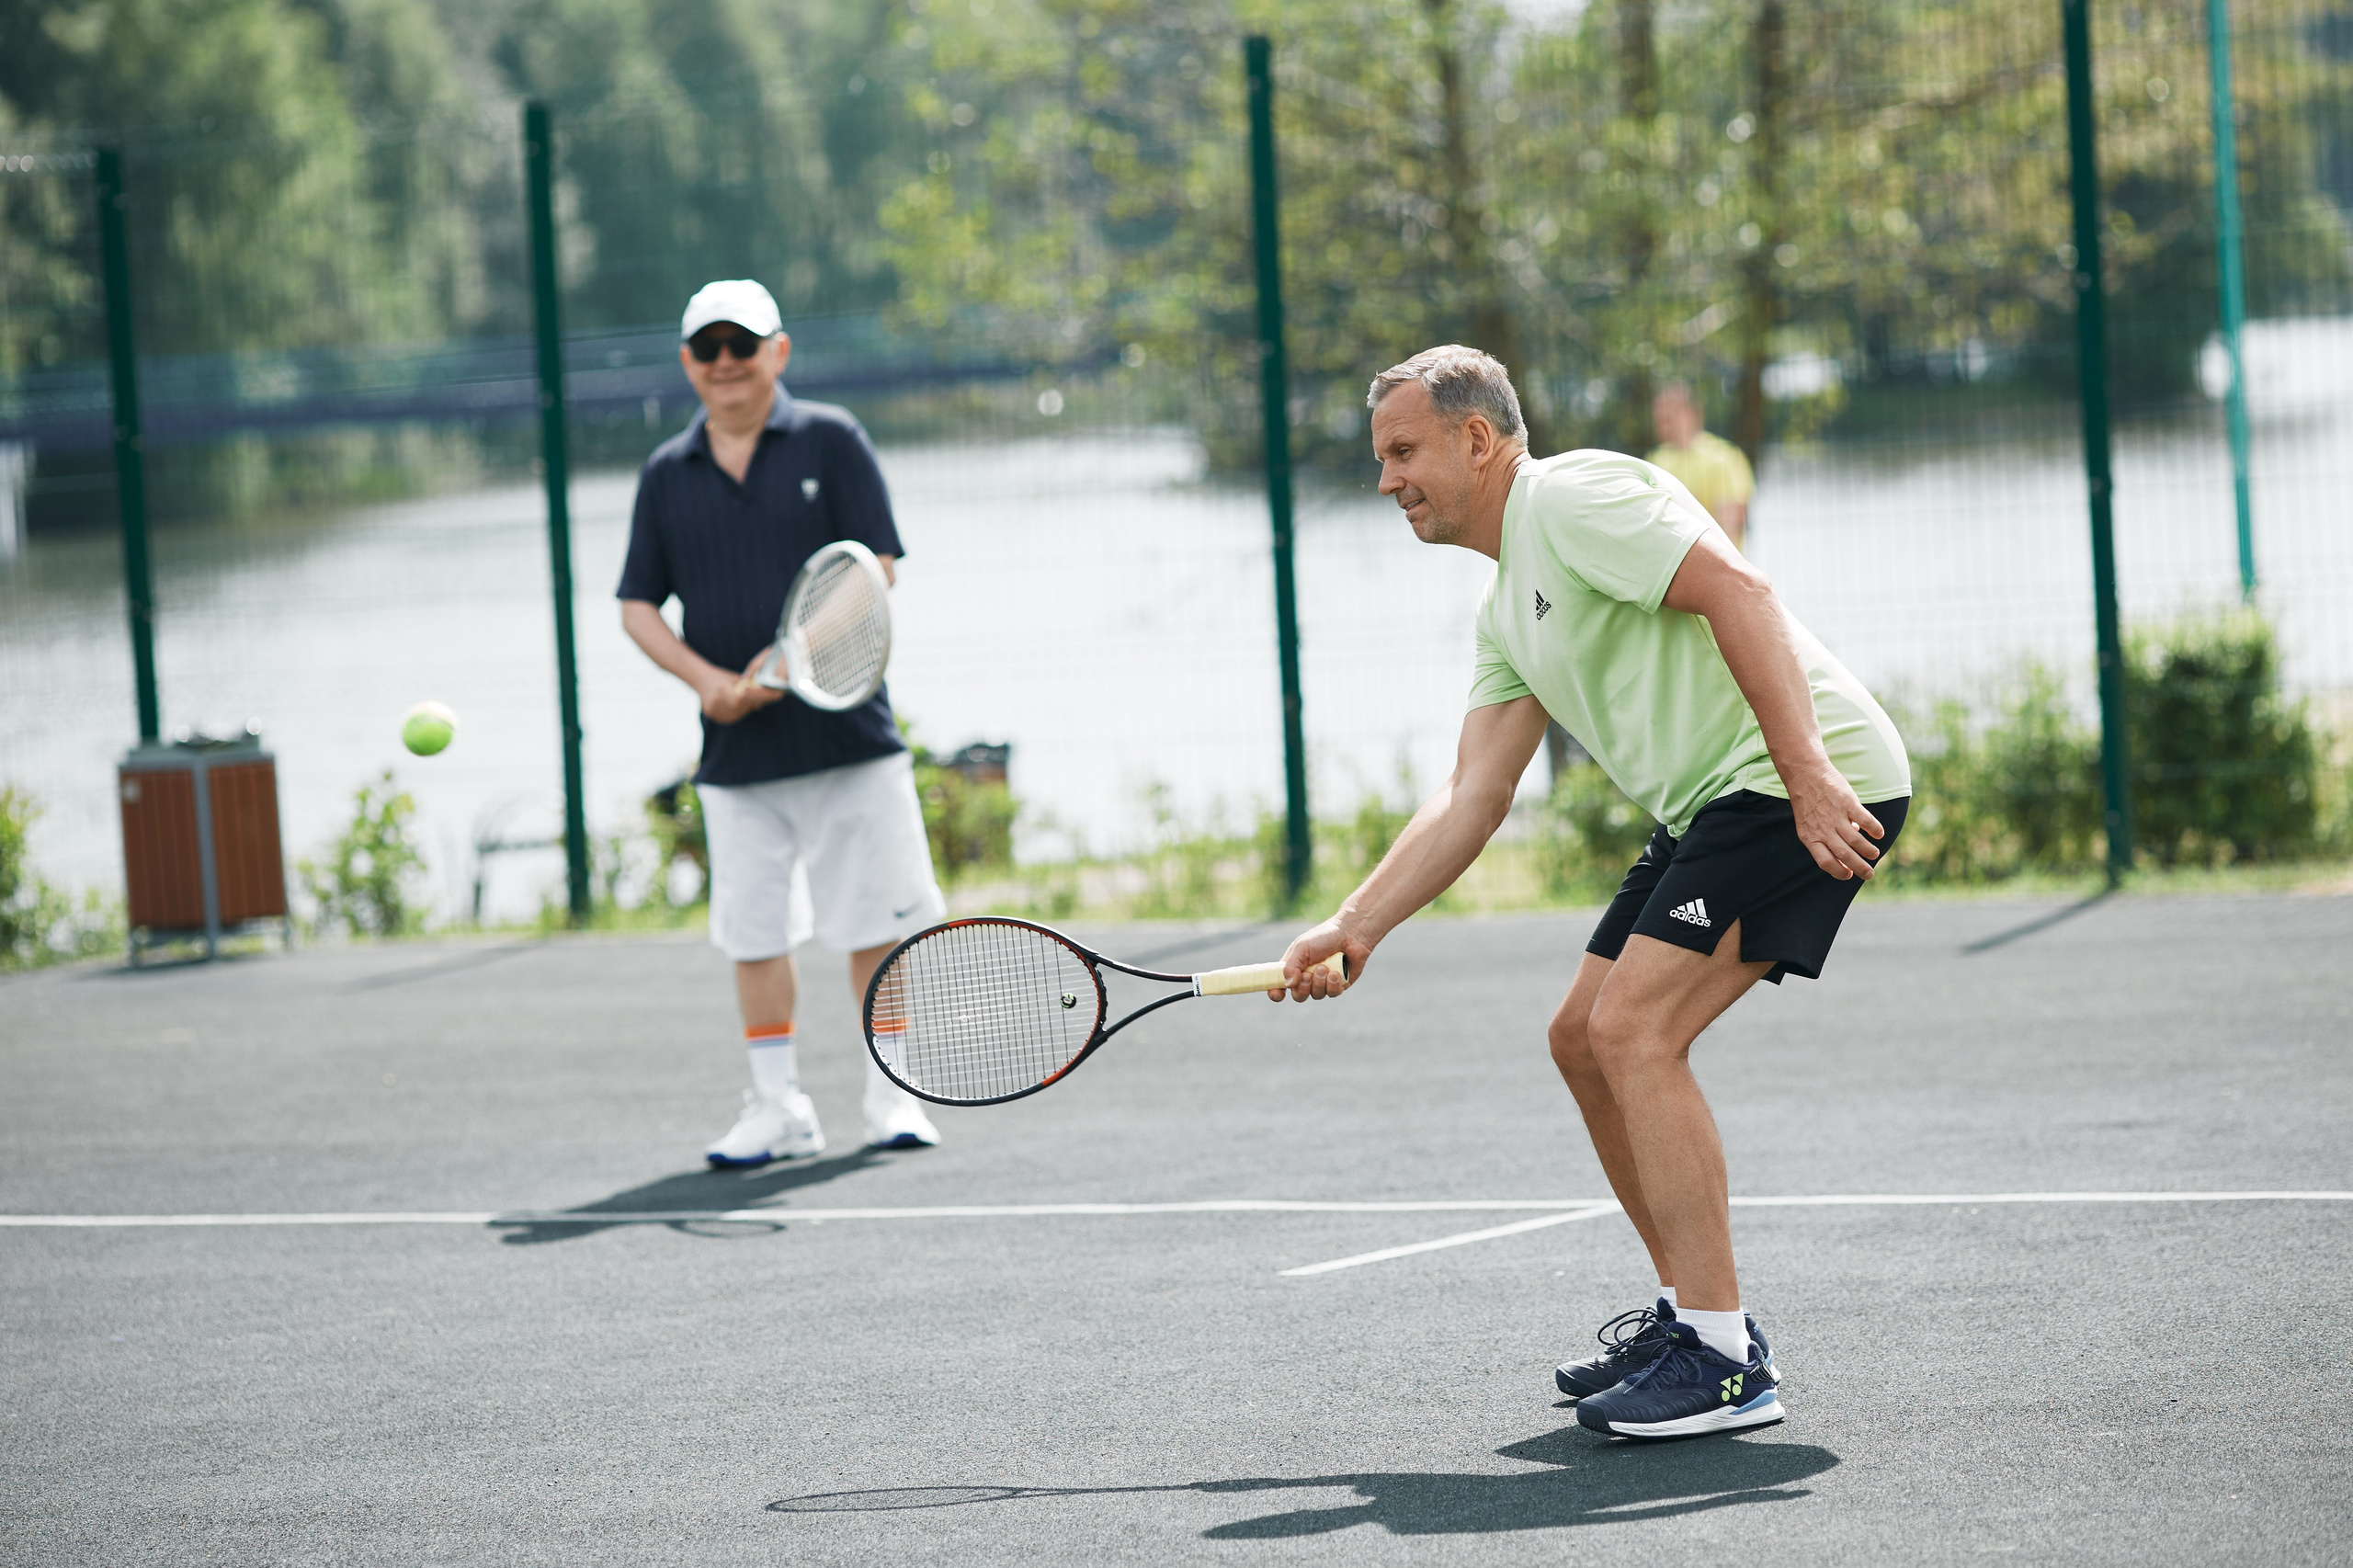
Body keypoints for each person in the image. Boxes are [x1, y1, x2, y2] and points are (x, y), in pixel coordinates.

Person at [1275, 346, 1909, 1441]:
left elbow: (1738, 589)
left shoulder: (1571, 497)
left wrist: (1808, 772)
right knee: (1581, 1034)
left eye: (1403, 451)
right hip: (1716, 802)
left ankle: (1721, 1361)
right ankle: (1691, 1318)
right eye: (1381, 458)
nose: (1386, 481)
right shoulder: (1504, 608)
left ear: (1478, 437)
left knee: (1632, 1030)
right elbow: (1474, 794)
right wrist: (1355, 920)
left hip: (1786, 780)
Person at [618, 278, 945, 1165]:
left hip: (851, 745)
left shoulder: (833, 439)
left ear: (779, 353)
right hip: (736, 760)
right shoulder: (665, 473)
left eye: (743, 345)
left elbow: (875, 567)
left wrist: (789, 657)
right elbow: (638, 608)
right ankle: (777, 1107)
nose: (727, 363)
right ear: (689, 363)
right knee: (754, 937)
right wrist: (707, 683)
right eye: (709, 349)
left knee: (875, 927)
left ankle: (893, 1096)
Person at [1646, 381, 1754, 551]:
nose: (1658, 419)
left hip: (1717, 567)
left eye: (1667, 415)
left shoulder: (1723, 457)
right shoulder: (1655, 459)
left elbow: (1729, 532)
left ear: (1687, 414)